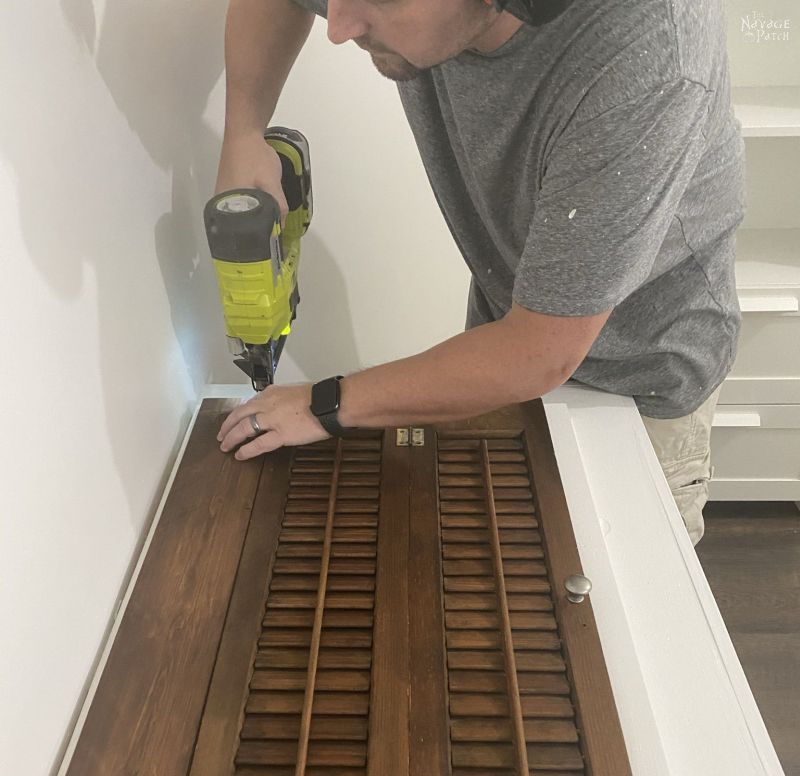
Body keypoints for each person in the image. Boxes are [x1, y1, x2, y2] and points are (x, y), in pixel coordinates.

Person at [215, 0, 746, 547]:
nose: (340, 26)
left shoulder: (648, 54)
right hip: (513, 325)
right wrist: (242, 131)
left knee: (621, 603)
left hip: (642, 372)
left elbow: (538, 351)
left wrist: (321, 405)